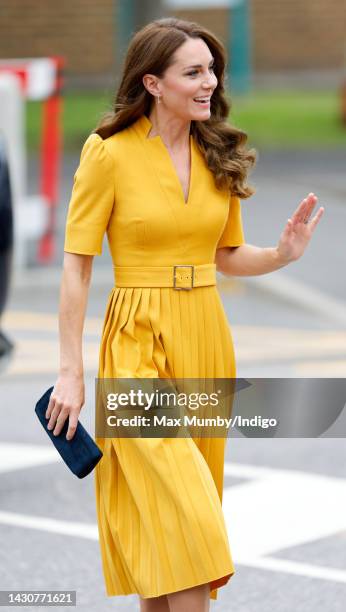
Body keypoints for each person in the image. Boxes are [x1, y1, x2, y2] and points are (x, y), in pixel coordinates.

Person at [45, 17, 324, 612]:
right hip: (135, 338)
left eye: (211, 70)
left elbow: (225, 255)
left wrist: (281, 254)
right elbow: (77, 267)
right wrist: (69, 371)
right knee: (189, 515)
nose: (209, 82)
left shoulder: (215, 149)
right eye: (192, 72)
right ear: (152, 83)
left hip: (205, 334)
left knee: (170, 530)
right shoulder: (109, 153)